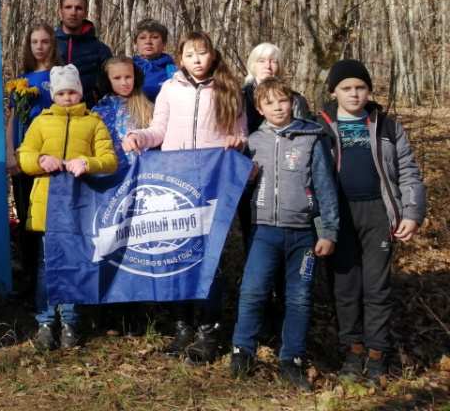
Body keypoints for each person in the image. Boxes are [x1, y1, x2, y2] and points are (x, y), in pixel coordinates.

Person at [125, 30, 247, 364]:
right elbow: (159, 129)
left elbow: (241, 132)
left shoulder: (229, 88)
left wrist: (237, 142)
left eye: (202, 53)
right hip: (176, 183)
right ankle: (182, 327)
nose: (197, 59)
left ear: (212, 55)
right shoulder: (169, 88)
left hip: (212, 183)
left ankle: (209, 331)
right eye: (190, 54)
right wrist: (138, 136)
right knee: (177, 255)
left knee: (210, 258)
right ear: (180, 58)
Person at [316, 60, 427, 385]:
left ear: (368, 90)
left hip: (378, 214)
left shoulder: (387, 127)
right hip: (337, 217)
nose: (354, 94)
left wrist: (412, 213)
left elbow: (408, 171)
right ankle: (353, 352)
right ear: (334, 92)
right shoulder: (320, 127)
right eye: (346, 88)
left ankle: (377, 355)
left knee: (377, 289)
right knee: (345, 288)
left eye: (360, 87)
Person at [228, 78, 339, 392]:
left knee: (300, 299)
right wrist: (249, 179)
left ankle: (292, 359)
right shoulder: (253, 142)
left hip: (303, 235)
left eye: (282, 101)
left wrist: (328, 230)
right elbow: (241, 192)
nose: (277, 108)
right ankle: (242, 350)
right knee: (252, 291)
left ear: (292, 102)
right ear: (259, 109)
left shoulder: (311, 138)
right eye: (269, 103)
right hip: (264, 232)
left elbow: (325, 187)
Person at [17, 64, 117, 351]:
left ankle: (70, 320)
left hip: (80, 206)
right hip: (48, 204)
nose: (67, 98)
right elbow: (24, 155)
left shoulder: (93, 122)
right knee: (46, 264)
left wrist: (87, 163)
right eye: (61, 93)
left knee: (74, 262)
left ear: (80, 92)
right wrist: (40, 160)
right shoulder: (41, 122)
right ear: (54, 96)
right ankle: (46, 321)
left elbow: (109, 160)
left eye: (72, 92)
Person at [92, 56, 154, 337]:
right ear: (107, 81)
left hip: (140, 187)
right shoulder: (98, 112)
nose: (123, 82)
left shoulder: (148, 108)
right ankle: (110, 312)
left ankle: (135, 313)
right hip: (110, 188)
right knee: (111, 246)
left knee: (136, 249)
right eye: (117, 78)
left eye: (128, 77)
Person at [5, 23, 61, 305]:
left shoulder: (60, 76)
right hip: (22, 157)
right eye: (34, 42)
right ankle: (28, 277)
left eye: (45, 41)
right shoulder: (21, 80)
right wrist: (9, 153)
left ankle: (50, 279)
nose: (40, 47)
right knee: (26, 217)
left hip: (50, 159)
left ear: (53, 44)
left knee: (48, 220)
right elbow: (13, 119)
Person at [55, 0, 112, 107]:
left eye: (78, 8)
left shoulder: (100, 50)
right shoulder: (48, 45)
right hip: (51, 114)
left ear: (85, 13)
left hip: (88, 113)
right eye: (68, 7)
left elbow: (109, 90)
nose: (73, 13)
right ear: (60, 12)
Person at [241, 43, 311, 133]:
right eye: (261, 61)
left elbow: (306, 134)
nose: (268, 66)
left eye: (273, 62)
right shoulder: (241, 96)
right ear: (252, 65)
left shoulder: (296, 99)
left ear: (279, 67)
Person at [132, 18, 178, 102]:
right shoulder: (127, 69)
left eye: (154, 37)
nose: (148, 42)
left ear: (163, 43)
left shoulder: (175, 72)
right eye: (142, 37)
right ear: (135, 43)